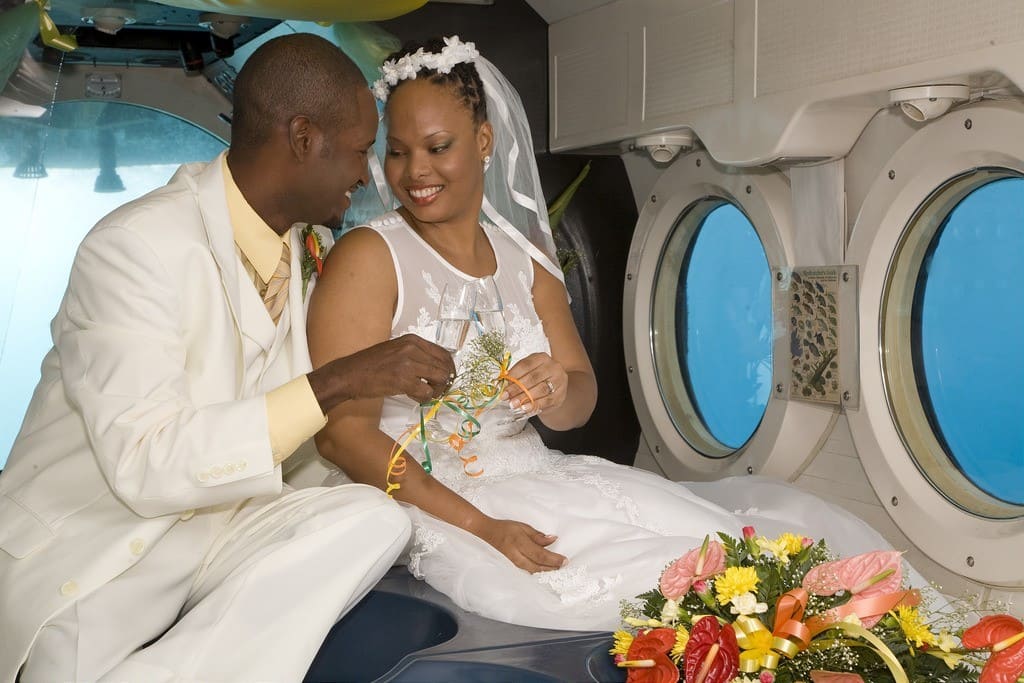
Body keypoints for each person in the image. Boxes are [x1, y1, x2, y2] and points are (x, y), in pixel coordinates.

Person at [307, 36, 906, 632]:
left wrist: (553, 388)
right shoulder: (370, 258)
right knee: (654, 587)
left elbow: (579, 403)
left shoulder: (528, 262)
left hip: (537, 473)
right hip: (427, 498)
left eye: (438, 147)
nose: (415, 171)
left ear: (484, 141)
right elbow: (343, 436)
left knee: (736, 556)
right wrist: (481, 527)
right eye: (397, 151)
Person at [0, 33, 455, 682]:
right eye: (361, 150)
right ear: (303, 138)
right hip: (97, 554)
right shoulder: (133, 247)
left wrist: (448, 494)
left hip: (218, 537)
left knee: (374, 520)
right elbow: (146, 463)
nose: (366, 175)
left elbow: (301, 457)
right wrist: (338, 382)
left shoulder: (310, 248)